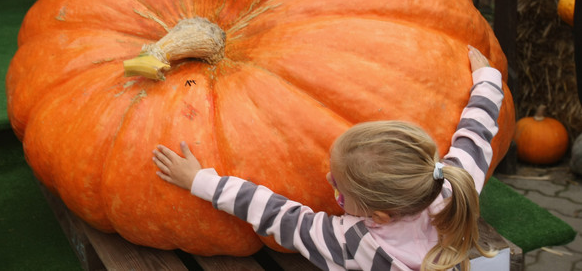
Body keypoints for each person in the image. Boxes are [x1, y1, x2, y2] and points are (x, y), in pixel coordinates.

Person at [152, 45, 504, 271]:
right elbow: (477, 134)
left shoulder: (355, 243)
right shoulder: (452, 185)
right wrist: (487, 79)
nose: (328, 182)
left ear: (377, 215)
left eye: (339, 188)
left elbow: (278, 214)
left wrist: (200, 181)